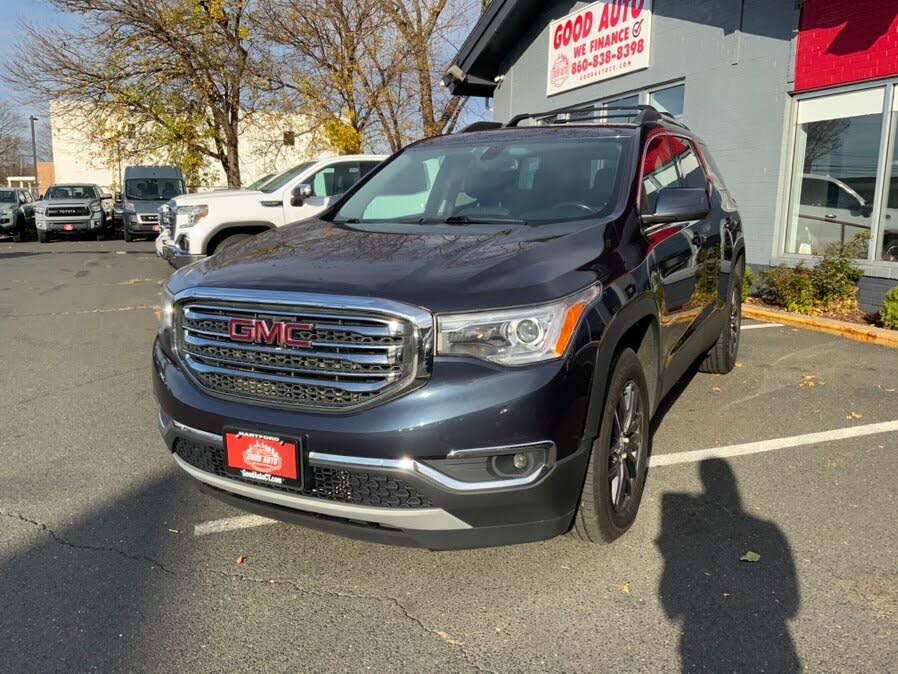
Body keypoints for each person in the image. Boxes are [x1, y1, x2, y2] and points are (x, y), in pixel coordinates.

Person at [657, 458, 801, 672]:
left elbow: (671, 601)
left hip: (703, 641)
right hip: (766, 644)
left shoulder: (696, 534)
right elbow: (790, 605)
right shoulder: (767, 531)